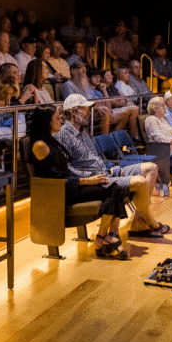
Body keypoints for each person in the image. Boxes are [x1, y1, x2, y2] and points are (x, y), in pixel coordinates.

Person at [54, 94, 168, 238]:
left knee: (151, 168)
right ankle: (151, 222)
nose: (89, 112)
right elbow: (67, 167)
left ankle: (139, 222)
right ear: (73, 111)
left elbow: (95, 158)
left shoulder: (84, 131)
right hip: (93, 180)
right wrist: (91, 177)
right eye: (85, 109)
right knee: (141, 182)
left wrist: (109, 167)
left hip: (106, 171)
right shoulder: (62, 135)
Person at [30, 105, 131, 259]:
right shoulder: (40, 146)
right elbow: (54, 178)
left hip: (71, 185)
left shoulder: (52, 141)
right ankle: (106, 236)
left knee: (115, 187)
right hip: (61, 192)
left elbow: (66, 169)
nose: (61, 121)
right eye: (57, 118)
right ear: (46, 122)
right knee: (114, 188)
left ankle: (104, 235)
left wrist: (90, 178)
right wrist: (87, 181)